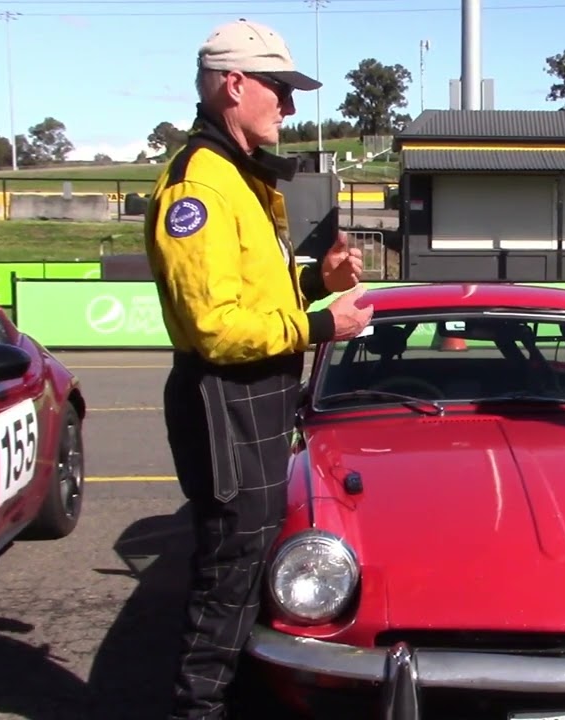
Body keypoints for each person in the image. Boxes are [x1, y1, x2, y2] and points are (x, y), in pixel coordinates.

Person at [143, 17, 373, 720]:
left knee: (243, 577)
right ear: (233, 85)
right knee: (228, 583)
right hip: (226, 400)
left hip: (255, 402)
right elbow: (216, 330)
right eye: (279, 88)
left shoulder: (240, 178)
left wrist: (316, 283)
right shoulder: (200, 188)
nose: (291, 105)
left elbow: (251, 299)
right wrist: (320, 324)